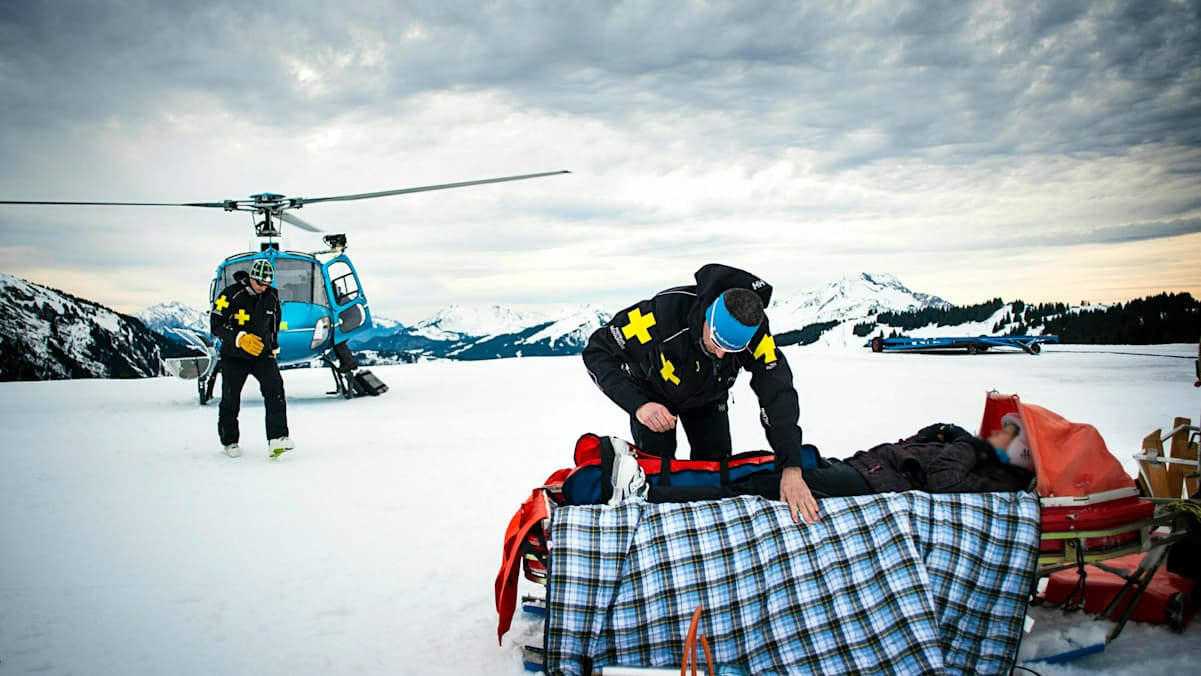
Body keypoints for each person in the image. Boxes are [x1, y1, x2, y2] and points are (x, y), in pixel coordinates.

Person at [583, 263, 821, 523]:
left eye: (731, 350)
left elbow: (777, 393)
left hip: (709, 397)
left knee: (716, 473)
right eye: (717, 342)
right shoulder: (663, 314)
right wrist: (639, 405)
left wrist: (791, 466)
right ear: (708, 316)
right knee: (656, 472)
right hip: (654, 395)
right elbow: (598, 352)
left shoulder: (756, 334)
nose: (720, 354)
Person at [609, 413, 1037, 518]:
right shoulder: (969, 451)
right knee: (755, 472)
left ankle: (653, 494)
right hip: (860, 469)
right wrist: (945, 432)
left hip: (869, 486)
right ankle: (652, 478)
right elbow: (913, 445)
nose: (995, 433)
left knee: (757, 484)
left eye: (1005, 436)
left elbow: (940, 483)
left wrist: (966, 446)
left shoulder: (985, 473)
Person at [209, 259, 294, 459]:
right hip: (234, 355)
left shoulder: (271, 296)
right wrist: (239, 338)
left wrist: (273, 345)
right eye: (260, 284)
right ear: (251, 279)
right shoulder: (231, 294)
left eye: (267, 284)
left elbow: (274, 322)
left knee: (275, 390)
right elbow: (216, 323)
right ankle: (229, 441)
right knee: (231, 397)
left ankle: (278, 438)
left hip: (262, 354)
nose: (263, 288)